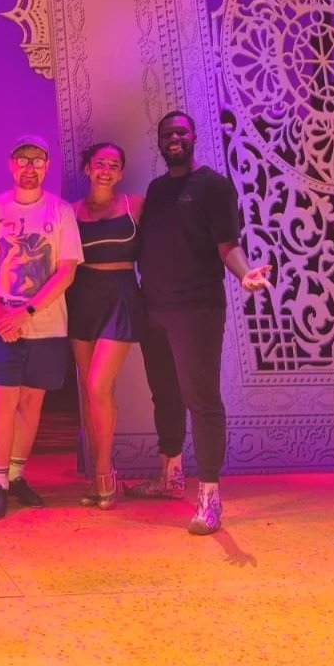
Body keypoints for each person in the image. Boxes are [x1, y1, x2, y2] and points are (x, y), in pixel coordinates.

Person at [123, 111, 271, 534]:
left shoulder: (214, 187)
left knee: (202, 400)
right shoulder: (157, 189)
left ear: (193, 138)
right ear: (159, 141)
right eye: (167, 133)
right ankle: (169, 476)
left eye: (181, 132)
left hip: (196, 310)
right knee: (165, 396)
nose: (174, 138)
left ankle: (209, 497)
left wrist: (244, 274)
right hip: (154, 308)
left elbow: (228, 246)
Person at [0, 135, 82, 519]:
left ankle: (17, 475)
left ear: (46, 166)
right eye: (22, 160)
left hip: (46, 326)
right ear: (11, 165)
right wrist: (2, 314)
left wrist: (26, 313)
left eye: (37, 160)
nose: (29, 167)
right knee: (2, 402)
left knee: (32, 403)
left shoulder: (60, 211)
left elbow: (66, 271)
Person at [67, 142, 143, 510]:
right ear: (88, 168)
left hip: (121, 297)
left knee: (99, 384)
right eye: (100, 163)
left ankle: (103, 470)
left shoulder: (135, 205)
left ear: (121, 172)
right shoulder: (71, 212)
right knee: (89, 389)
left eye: (114, 164)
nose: (106, 170)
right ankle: (100, 468)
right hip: (82, 298)